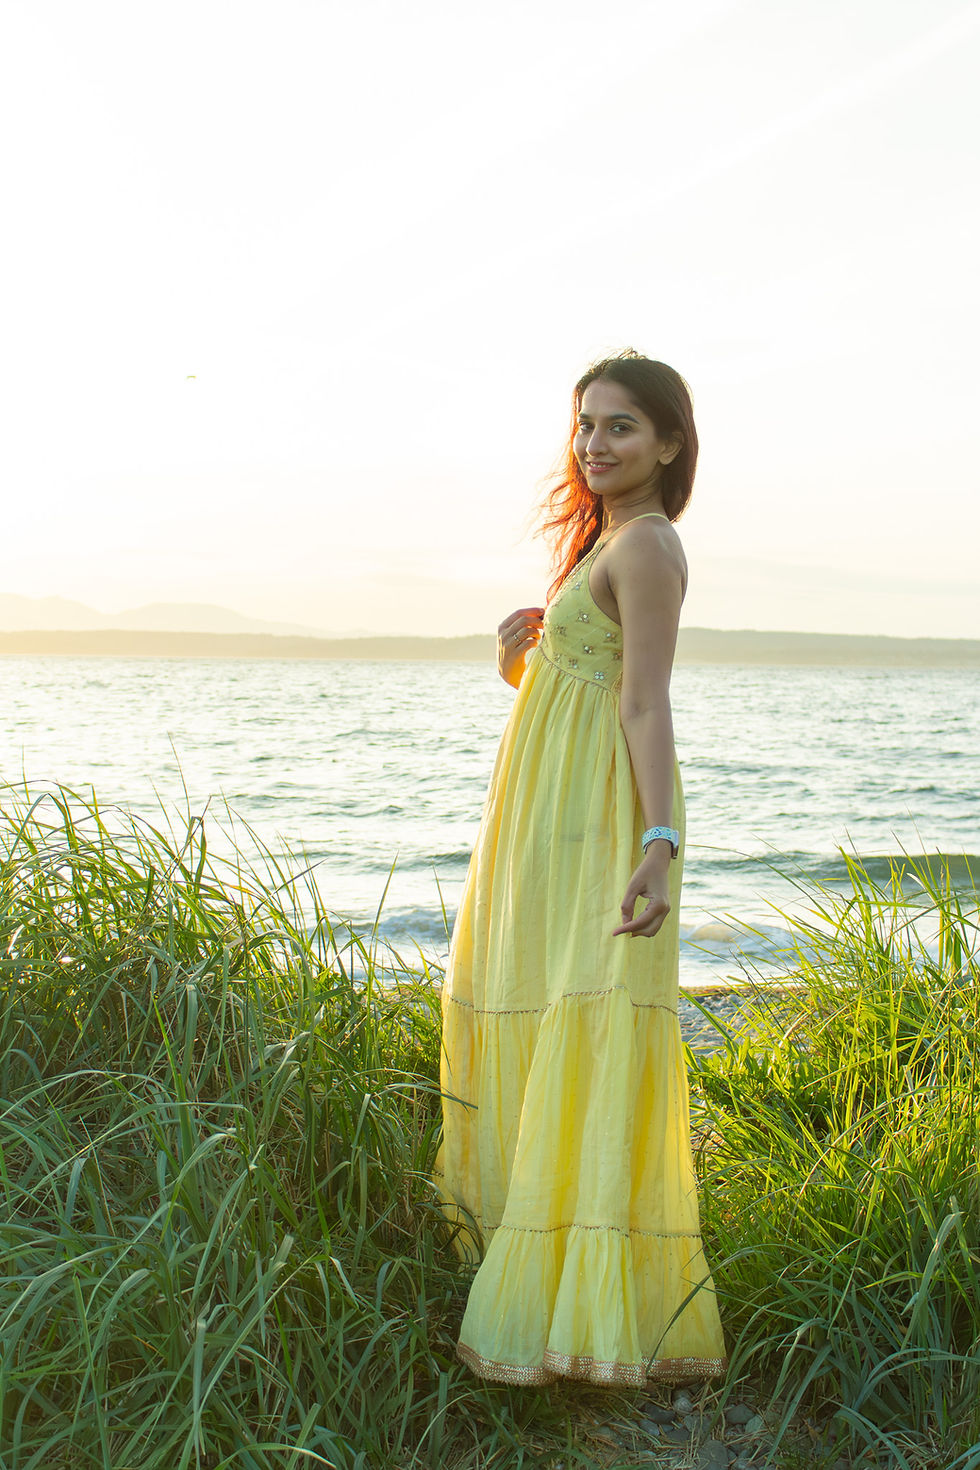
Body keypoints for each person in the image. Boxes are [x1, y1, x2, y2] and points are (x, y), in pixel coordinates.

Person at [434, 350, 727, 1387]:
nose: (593, 445)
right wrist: (522, 664)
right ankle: (543, 1284)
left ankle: (572, 1320)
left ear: (668, 444)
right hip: (552, 821)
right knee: (539, 1008)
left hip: (606, 825)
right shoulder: (602, 540)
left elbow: (644, 702)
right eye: (584, 426)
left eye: (618, 428)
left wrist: (657, 845)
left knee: (584, 1029)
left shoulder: (646, 546)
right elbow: (582, 689)